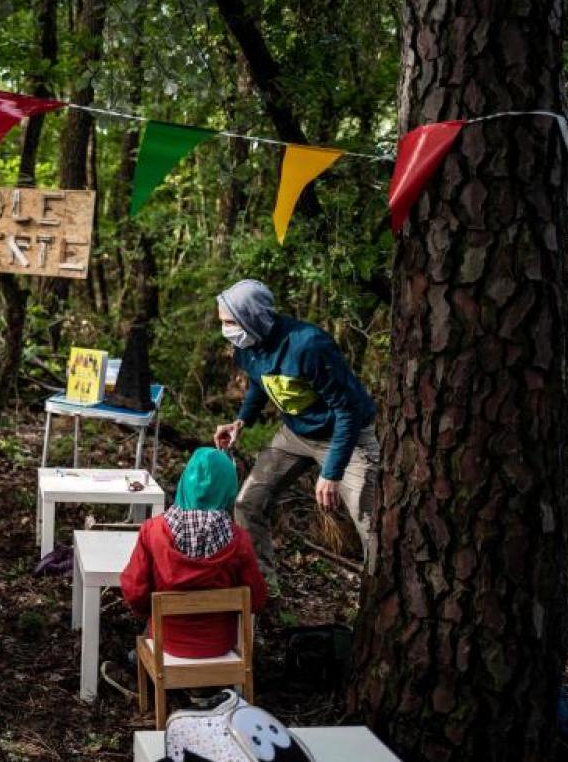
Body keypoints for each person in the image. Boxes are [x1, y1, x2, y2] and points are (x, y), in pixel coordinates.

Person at [212, 279, 379, 588]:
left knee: (369, 521)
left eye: (229, 321)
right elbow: (259, 383)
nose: (225, 329)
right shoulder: (246, 347)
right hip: (296, 433)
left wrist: (332, 472)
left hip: (348, 436)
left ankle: (382, 598)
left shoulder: (308, 345)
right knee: (248, 502)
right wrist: (241, 421)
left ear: (252, 317)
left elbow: (348, 411)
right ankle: (262, 588)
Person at [119, 447, 267, 660]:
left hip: (167, 642)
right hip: (220, 645)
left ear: (184, 483)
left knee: (137, 653)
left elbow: (135, 591)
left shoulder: (153, 531)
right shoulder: (239, 539)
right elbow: (256, 598)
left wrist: (148, 612)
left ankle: (150, 675)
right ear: (228, 489)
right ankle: (205, 687)